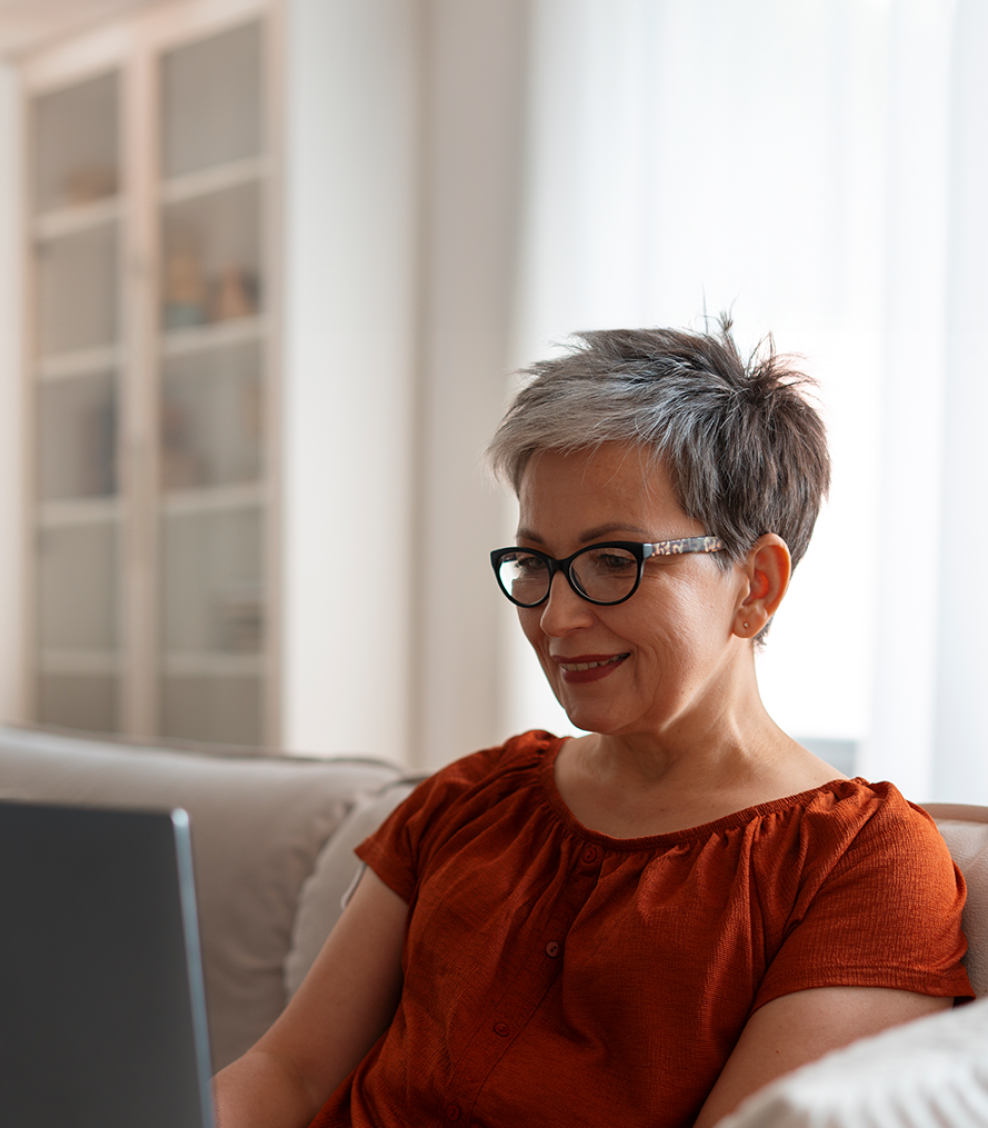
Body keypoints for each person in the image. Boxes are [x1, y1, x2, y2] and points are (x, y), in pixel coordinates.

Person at [214, 324, 973, 1128]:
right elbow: (288, 1074)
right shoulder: (472, 798)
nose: (555, 616)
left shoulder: (861, 867)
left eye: (616, 560)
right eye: (535, 562)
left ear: (756, 584)